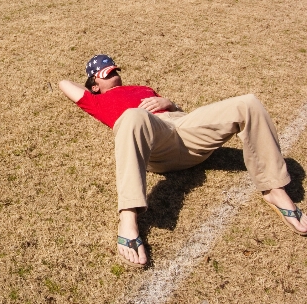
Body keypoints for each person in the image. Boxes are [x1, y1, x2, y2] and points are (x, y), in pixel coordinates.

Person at [58, 54, 307, 267]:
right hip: (157, 141)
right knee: (133, 116)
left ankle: (275, 188)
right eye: (106, 72)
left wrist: (169, 103)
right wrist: (92, 82)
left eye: (114, 69)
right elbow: (64, 83)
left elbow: (178, 113)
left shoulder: (142, 88)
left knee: (248, 103)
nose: (113, 73)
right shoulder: (96, 100)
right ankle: (128, 218)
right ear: (94, 85)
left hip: (184, 128)